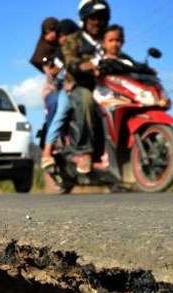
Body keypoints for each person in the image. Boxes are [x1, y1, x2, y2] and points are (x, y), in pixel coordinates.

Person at [61, 0, 111, 173]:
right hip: (79, 87)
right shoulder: (74, 39)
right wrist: (89, 65)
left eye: (101, 18)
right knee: (86, 98)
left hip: (106, 88)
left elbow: (120, 58)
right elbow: (70, 63)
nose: (97, 22)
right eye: (93, 18)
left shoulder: (108, 40)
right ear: (84, 19)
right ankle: (84, 152)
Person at [40, 18, 79, 169]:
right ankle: (47, 152)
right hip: (65, 89)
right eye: (61, 36)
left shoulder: (83, 49)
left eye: (67, 35)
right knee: (62, 111)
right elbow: (54, 71)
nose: (63, 39)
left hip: (86, 87)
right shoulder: (59, 54)